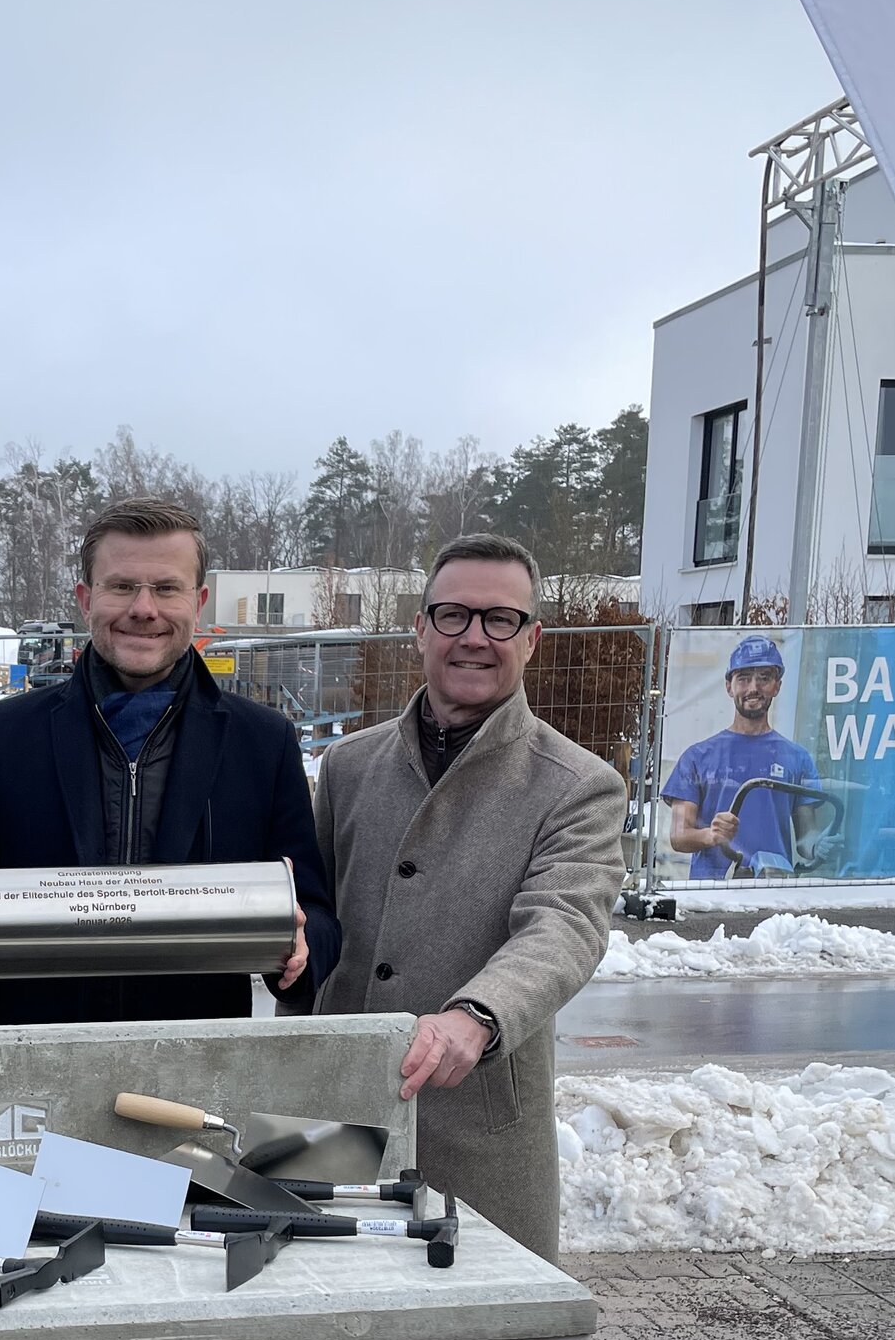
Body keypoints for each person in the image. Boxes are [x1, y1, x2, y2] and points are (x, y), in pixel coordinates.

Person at [0, 497, 337, 1023]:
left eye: (167, 588)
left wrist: (304, 946)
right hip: (46, 1052)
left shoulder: (262, 742)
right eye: (121, 586)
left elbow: (315, 914)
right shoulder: (5, 736)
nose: (144, 608)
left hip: (201, 1056)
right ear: (85, 599)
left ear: (199, 601)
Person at [311, 533, 623, 1265]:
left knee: (478, 1325)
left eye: (500, 619)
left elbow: (565, 926)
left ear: (532, 639)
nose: (475, 637)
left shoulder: (578, 787)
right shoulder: (348, 767)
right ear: (421, 629)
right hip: (333, 1114)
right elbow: (316, 923)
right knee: (327, 1310)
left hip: (478, 1129)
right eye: (453, 615)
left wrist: (478, 1015)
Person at [662, 633, 824, 879]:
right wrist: (710, 835)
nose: (753, 688)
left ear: (777, 685)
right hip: (711, 893)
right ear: (729, 686)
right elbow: (678, 836)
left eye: (764, 678)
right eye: (744, 678)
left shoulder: (797, 758)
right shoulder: (696, 758)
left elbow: (806, 839)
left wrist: (820, 846)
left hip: (775, 890)